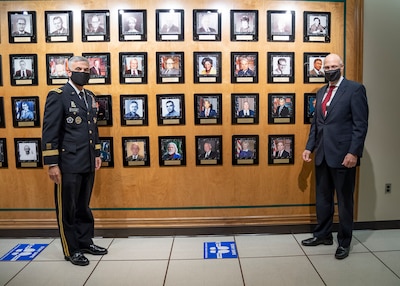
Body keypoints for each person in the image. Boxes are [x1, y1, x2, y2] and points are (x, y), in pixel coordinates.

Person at [301, 53, 368, 260]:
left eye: (333, 66)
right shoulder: (321, 92)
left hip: (343, 156)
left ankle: (345, 241)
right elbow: (317, 125)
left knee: (345, 201)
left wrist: (353, 152)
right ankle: (323, 235)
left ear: (342, 67)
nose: (329, 69)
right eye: (326, 66)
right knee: (323, 199)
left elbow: (360, 125)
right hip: (322, 154)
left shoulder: (355, 90)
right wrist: (309, 147)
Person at [42, 56, 107, 266]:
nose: (84, 72)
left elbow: (93, 129)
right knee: (67, 208)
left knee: (83, 206)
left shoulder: (89, 96)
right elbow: (50, 131)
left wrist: (97, 153)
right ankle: (71, 250)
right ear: (68, 72)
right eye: (78, 69)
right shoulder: (58, 96)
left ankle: (85, 241)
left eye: (86, 69)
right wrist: (52, 163)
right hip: (67, 163)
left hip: (87, 161)